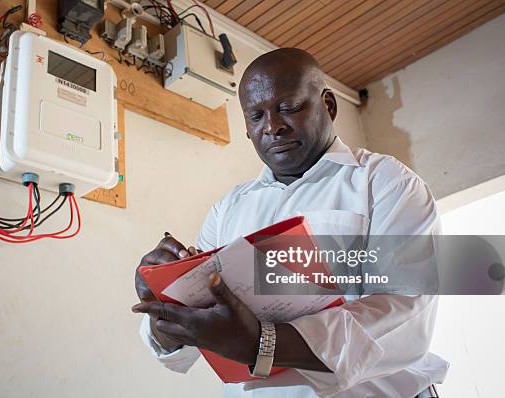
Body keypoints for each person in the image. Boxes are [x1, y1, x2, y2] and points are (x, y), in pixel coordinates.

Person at [132, 48, 448, 398]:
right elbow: (191, 339)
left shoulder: (385, 182)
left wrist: (262, 343)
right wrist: (165, 303)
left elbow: (404, 313)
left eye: (289, 107)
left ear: (328, 105)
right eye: (256, 115)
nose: (272, 126)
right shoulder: (226, 210)